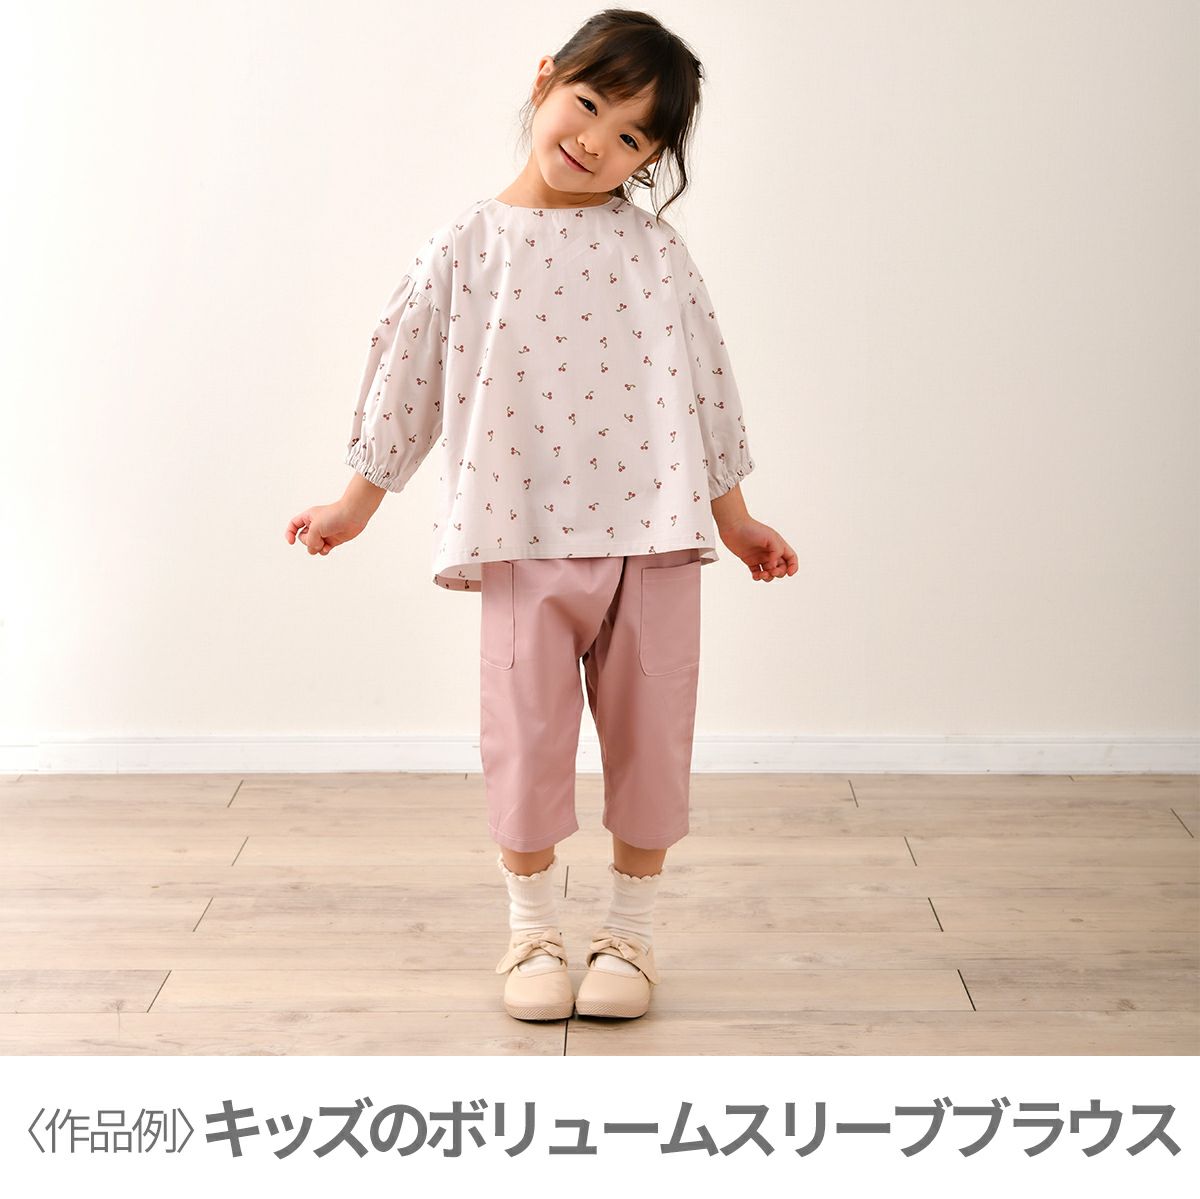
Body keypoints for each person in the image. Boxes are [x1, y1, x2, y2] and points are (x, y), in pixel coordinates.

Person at [286, 9, 797, 1023]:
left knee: (652, 739)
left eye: (631, 136)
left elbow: (706, 386)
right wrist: (355, 502)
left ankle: (630, 934)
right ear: (546, 79)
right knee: (524, 740)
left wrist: (736, 518)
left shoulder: (657, 254)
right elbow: (408, 378)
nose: (596, 141)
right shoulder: (469, 244)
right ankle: (531, 931)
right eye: (588, 103)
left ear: (652, 159)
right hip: (517, 529)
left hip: (655, 534)